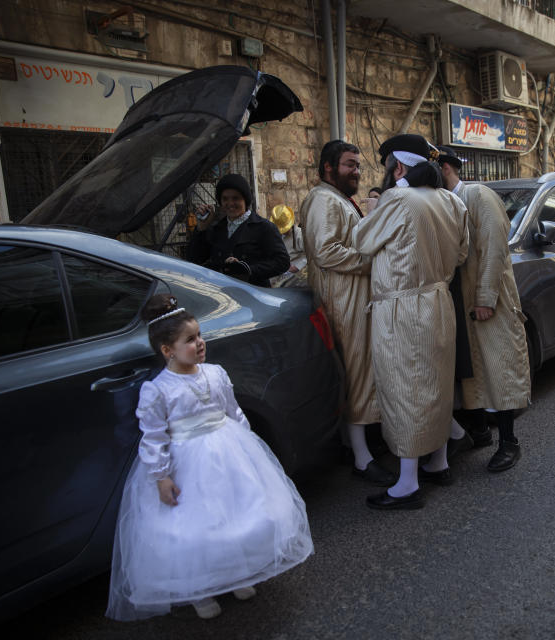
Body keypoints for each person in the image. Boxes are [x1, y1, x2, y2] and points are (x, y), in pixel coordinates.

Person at [106, 294, 313, 621]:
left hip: (228, 450)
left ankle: (238, 574)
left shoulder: (215, 373)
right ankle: (200, 590)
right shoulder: (158, 390)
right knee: (198, 528)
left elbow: (233, 411)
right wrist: (161, 475)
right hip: (189, 461)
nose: (200, 343)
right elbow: (154, 436)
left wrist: (250, 443)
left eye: (200, 335)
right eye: (190, 340)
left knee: (239, 516)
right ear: (167, 350)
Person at [352, 134, 469, 509]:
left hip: (402, 309)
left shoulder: (397, 198)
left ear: (397, 167)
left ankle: (407, 484)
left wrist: (373, 207)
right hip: (438, 302)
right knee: (434, 385)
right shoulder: (452, 200)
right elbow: (463, 252)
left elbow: (360, 241)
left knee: (405, 390)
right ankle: (439, 462)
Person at [298, 140, 395, 486]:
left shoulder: (335, 199)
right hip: (342, 302)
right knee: (354, 375)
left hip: (351, 299)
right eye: (349, 165)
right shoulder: (323, 200)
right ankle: (361, 457)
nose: (356, 171)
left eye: (357, 165)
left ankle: (363, 445)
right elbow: (326, 252)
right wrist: (371, 263)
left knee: (361, 372)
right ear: (328, 167)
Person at [437, 146, 531, 472]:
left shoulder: (478, 195)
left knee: (499, 369)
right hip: (460, 302)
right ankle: (479, 433)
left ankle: (509, 442)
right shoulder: (443, 203)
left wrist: (485, 299)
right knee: (471, 372)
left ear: (446, 168)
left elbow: (494, 249)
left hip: (487, 302)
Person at [188, 173, 290, 287]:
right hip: (223, 294)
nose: (230, 204)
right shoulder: (216, 229)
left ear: (245, 200)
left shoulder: (264, 227)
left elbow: (282, 262)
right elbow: (195, 259)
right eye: (225, 199)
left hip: (254, 294)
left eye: (236, 198)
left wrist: (246, 269)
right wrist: (202, 228)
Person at [269, 204, 308, 287]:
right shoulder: (275, 235)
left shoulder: (299, 235)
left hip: (296, 275)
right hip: (280, 271)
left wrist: (297, 266)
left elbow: (310, 254)